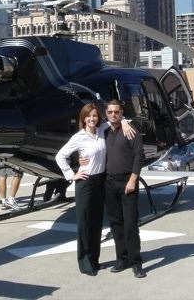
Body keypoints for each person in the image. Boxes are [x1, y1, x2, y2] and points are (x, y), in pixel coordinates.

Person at [56, 103, 136, 276]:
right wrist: (72, 174)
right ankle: (85, 262)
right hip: (85, 182)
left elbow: (117, 118)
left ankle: (95, 259)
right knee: (85, 223)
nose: (92, 119)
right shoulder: (79, 137)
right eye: (88, 116)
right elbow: (60, 156)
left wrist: (124, 123)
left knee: (96, 222)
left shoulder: (101, 130)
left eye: (94, 116)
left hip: (101, 180)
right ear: (83, 118)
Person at [103, 99, 146, 278]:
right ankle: (122, 258)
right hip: (109, 183)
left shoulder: (131, 131)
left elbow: (139, 156)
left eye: (117, 112)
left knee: (130, 224)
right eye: (110, 112)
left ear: (122, 113)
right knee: (116, 224)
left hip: (127, 182)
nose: (114, 115)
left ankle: (136, 262)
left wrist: (133, 180)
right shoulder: (103, 131)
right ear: (106, 113)